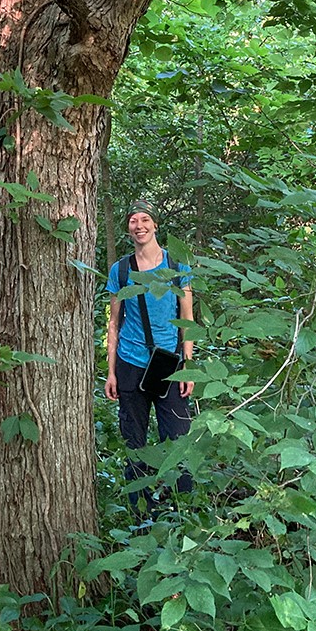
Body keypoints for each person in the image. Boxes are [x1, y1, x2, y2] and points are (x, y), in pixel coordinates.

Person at [104, 200, 195, 511]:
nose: (139, 225)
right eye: (133, 220)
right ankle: (141, 515)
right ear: (128, 228)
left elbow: (188, 321)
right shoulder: (122, 269)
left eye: (145, 219)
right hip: (130, 363)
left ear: (156, 225)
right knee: (135, 444)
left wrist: (189, 368)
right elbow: (114, 322)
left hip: (169, 365)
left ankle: (182, 510)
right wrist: (111, 371)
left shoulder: (177, 265)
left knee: (178, 441)